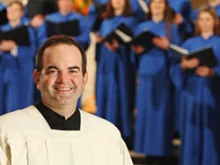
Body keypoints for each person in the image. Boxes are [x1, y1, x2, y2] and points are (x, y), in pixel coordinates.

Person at [0, 35, 133, 165]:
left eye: (73, 70)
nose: (63, 79)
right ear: (37, 78)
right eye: (53, 70)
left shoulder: (107, 135)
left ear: (84, 79)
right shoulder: (8, 131)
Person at [170, 8, 220, 165]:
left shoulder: (219, 43)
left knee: (210, 134)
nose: (204, 23)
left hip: (212, 95)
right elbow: (175, 68)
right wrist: (184, 66)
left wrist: (212, 72)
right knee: (191, 133)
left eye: (208, 19)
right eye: (201, 19)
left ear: (215, 22)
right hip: (191, 94)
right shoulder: (189, 43)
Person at [132, 0, 179, 160]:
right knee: (144, 114)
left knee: (160, 115)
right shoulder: (141, 26)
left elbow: (178, 53)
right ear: (149, 6)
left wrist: (168, 46)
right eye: (154, 2)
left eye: (160, 2)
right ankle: (146, 153)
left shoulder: (171, 27)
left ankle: (162, 154)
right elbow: (135, 52)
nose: (157, 5)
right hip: (145, 73)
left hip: (163, 75)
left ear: (165, 6)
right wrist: (136, 50)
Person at [95, 0, 137, 141]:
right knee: (105, 93)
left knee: (122, 95)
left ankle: (124, 132)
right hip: (106, 63)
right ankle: (103, 131)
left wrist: (121, 46)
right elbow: (99, 42)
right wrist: (100, 41)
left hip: (122, 63)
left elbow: (133, 43)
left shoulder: (131, 20)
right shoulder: (105, 20)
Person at [0, 1, 36, 115]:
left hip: (21, 71)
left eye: (15, 10)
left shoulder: (28, 30)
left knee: (17, 106)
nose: (11, 12)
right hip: (4, 71)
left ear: (21, 13)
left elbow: (32, 50)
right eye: (9, 10)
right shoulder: (2, 29)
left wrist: (14, 48)